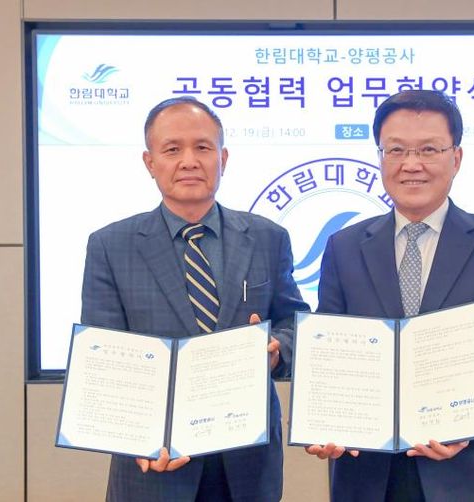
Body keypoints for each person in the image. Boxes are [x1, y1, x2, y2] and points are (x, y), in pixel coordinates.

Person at [306, 90, 474, 501]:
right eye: (396, 150)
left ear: (455, 158)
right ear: (380, 157)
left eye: (428, 149)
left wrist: (473, 416)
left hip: (470, 472)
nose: (411, 164)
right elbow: (331, 352)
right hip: (368, 476)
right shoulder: (344, 246)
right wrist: (325, 421)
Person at [80, 96, 309, 501]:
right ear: (150, 162)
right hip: (155, 465)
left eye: (202, 147)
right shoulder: (110, 246)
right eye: (172, 150)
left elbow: (295, 323)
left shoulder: (267, 238)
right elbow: (104, 358)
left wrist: (277, 350)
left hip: (248, 462)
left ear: (223, 158)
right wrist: (138, 439)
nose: (189, 161)